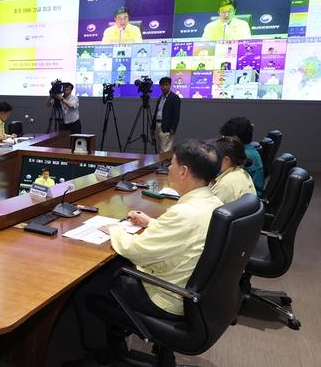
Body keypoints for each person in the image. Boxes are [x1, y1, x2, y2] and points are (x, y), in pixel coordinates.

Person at [73, 139, 222, 365]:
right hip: (196, 293)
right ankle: (115, 340)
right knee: (113, 268)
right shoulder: (213, 203)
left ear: (183, 171)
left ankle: (98, 356)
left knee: (85, 286)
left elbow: (137, 250)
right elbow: (183, 234)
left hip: (168, 297)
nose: (169, 168)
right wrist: (151, 222)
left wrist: (115, 230)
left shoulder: (184, 213)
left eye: (172, 163)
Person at [219, 117, 263, 194]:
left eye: (225, 137)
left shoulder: (241, 155)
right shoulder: (250, 149)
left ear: (234, 139)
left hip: (248, 195)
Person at [211, 136, 256, 203]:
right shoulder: (243, 173)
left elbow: (208, 206)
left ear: (226, 160)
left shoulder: (225, 184)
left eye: (216, 157)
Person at [152, 77, 181, 153]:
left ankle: (165, 161)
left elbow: (176, 114)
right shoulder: (160, 98)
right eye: (162, 85)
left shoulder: (174, 98)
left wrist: (173, 128)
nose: (164, 87)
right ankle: (161, 161)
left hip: (167, 126)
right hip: (157, 125)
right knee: (159, 147)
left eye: (166, 85)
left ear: (170, 85)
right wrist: (153, 125)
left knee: (165, 149)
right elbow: (157, 111)